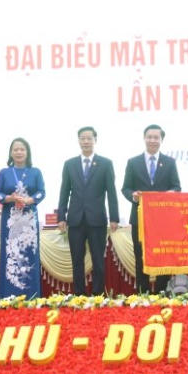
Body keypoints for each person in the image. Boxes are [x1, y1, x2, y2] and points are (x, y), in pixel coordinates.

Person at [58, 126, 119, 295]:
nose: (86, 141)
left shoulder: (105, 163)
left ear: (95, 140)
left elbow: (111, 192)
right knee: (77, 260)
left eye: (89, 138)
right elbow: (64, 192)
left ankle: (98, 295)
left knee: (98, 261)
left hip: (97, 220)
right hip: (75, 220)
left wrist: (114, 217)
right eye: (82, 138)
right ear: (78, 141)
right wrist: (61, 217)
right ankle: (79, 295)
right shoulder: (69, 164)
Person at [121, 124, 181, 293]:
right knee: (141, 256)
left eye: (156, 137)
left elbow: (177, 187)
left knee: (163, 256)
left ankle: (161, 292)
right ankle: (143, 293)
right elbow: (126, 188)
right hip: (140, 219)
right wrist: (133, 195)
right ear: (144, 138)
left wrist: (170, 194)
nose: (153, 140)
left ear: (161, 140)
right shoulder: (133, 162)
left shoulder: (169, 162)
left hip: (164, 220)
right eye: (149, 137)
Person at [0, 138, 45, 299]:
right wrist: (9, 198)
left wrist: (30, 200)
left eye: (22, 149)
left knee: (30, 255)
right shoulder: (4, 172)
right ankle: (8, 296)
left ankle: (31, 296)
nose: (19, 152)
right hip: (10, 220)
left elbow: (41, 192)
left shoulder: (35, 172)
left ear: (27, 152)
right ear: (11, 153)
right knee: (11, 254)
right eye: (15, 149)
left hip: (29, 221)